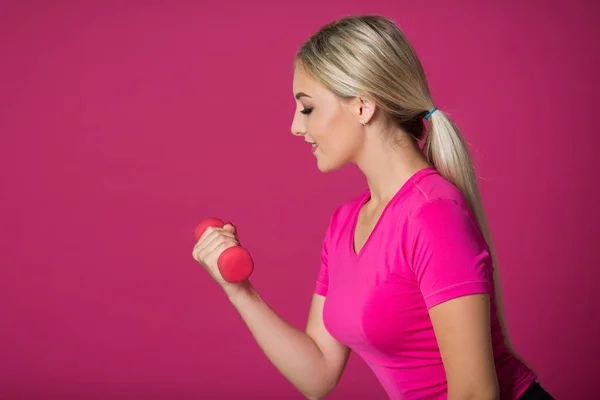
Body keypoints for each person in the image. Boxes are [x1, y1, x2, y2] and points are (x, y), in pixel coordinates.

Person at [192, 15, 555, 400]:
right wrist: (239, 292)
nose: (296, 127)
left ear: (363, 106)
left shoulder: (432, 214)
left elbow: (474, 392)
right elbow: (318, 374)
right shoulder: (345, 223)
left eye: (308, 108)